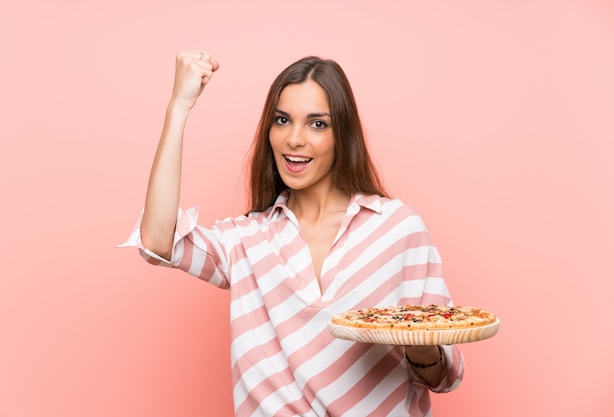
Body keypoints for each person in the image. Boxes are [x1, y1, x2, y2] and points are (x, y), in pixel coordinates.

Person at [121, 50, 464, 416]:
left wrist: (425, 352)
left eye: (317, 124)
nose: (294, 139)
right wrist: (179, 107)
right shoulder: (247, 240)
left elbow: (446, 377)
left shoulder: (398, 229)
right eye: (282, 120)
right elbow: (158, 240)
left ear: (342, 134)